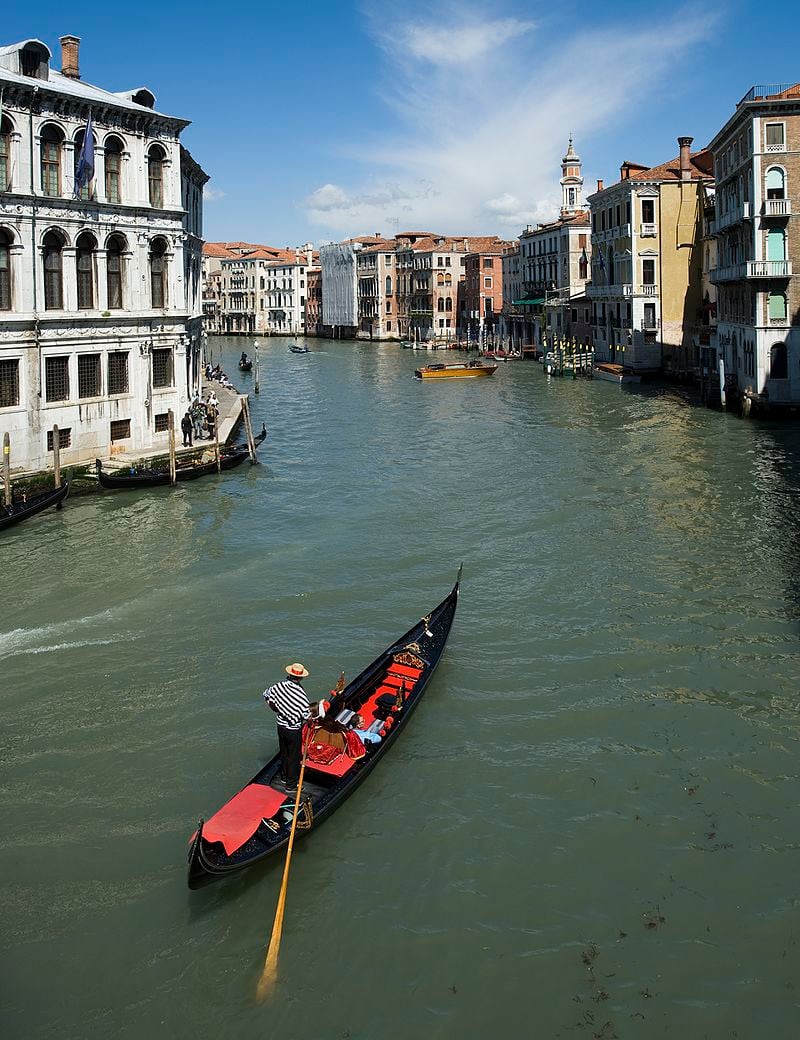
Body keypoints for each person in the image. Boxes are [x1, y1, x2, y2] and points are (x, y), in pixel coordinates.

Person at [264, 663, 313, 789]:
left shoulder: (279, 686)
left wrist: (277, 709)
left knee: (284, 752)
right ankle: (291, 785)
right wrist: (311, 722)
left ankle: (284, 777)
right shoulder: (301, 695)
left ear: (290, 674)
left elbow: (267, 695)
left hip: (280, 726)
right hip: (293, 730)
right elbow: (306, 715)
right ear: (301, 678)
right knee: (294, 756)